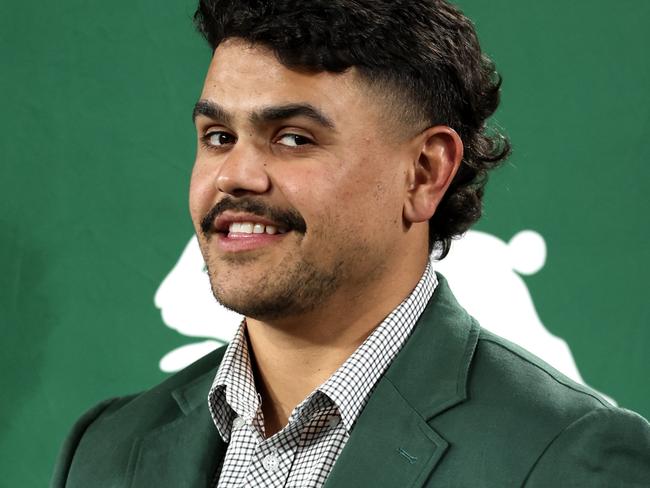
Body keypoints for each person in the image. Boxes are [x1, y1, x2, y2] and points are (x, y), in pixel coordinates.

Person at [51, 0, 650, 486]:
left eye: (292, 138)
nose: (233, 175)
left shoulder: (570, 458)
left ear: (423, 173)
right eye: (217, 135)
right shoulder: (106, 447)